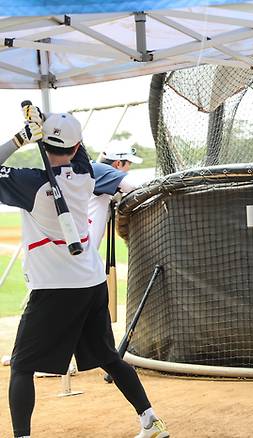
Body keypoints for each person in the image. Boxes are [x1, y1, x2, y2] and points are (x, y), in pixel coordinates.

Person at [0, 108, 169, 438]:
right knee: (107, 356)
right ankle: (150, 420)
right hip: (90, 284)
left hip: (54, 289)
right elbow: (78, 151)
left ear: (41, 143)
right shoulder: (86, 173)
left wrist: (23, 136)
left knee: (21, 366)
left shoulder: (30, 183)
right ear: (76, 148)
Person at [88, 144, 143, 249]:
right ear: (118, 163)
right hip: (81, 247)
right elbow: (133, 185)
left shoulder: (95, 169)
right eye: (128, 163)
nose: (128, 168)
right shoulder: (100, 169)